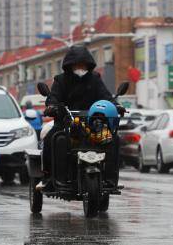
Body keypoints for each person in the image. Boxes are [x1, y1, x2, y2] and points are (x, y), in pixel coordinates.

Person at [38, 45, 124, 189]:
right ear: (69, 65)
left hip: (92, 125)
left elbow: (106, 97)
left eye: (83, 64)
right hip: (66, 125)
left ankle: (110, 179)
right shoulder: (60, 80)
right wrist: (52, 107)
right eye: (77, 64)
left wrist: (116, 105)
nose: (80, 67)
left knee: (113, 138)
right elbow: (53, 98)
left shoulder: (95, 79)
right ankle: (48, 178)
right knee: (51, 140)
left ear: (88, 65)